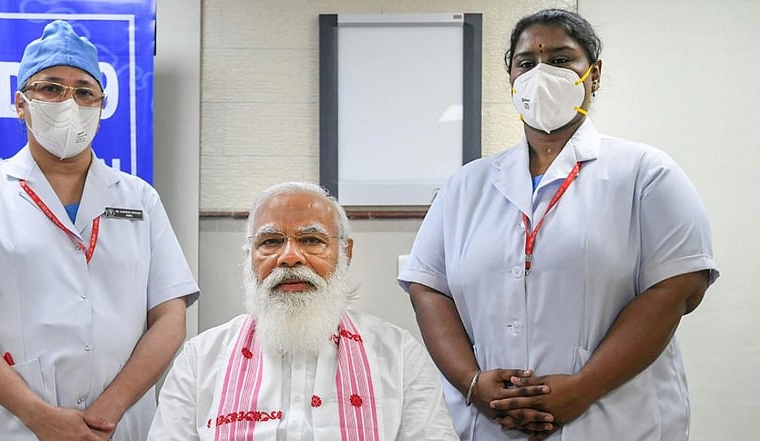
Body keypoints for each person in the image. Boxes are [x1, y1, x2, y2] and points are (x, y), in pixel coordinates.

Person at [398, 8, 718, 441]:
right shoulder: (466, 185)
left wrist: (583, 389)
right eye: (526, 63)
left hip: (615, 422)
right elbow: (428, 287)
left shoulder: (645, 173)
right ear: (511, 79)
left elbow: (679, 288)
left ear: (595, 74)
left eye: (562, 60)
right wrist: (472, 384)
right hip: (490, 425)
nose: (542, 74)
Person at [0, 20, 199, 441]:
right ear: (21, 103)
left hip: (117, 427)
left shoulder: (140, 198)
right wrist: (38, 416)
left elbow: (170, 318)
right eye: (51, 87)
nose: (69, 102)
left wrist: (109, 410)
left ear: (100, 109)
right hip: (11, 425)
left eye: (85, 91)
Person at [146, 182, 459, 440]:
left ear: (345, 253)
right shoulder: (201, 359)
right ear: (249, 255)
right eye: (270, 242)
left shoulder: (398, 355)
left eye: (311, 240)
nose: (290, 257)